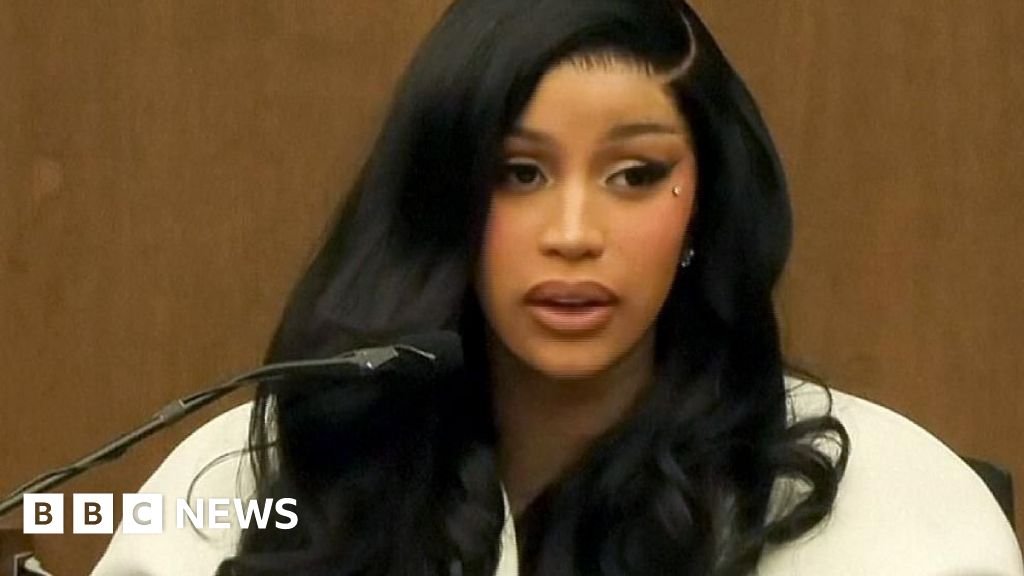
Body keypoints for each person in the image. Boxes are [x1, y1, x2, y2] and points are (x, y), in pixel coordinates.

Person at [92, 0, 1023, 574]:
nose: (574, 235)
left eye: (635, 176)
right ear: (443, 201)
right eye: (520, 174)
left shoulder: (893, 510)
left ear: (703, 209)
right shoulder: (253, 479)